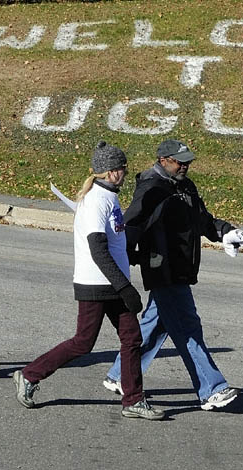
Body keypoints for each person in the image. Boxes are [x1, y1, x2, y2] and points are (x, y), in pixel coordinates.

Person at [12, 141, 163, 420]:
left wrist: (138, 259)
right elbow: (98, 250)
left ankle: (133, 400)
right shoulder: (96, 200)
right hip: (96, 284)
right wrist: (125, 287)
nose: (125, 173)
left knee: (131, 338)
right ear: (109, 172)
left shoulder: (109, 196)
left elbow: (116, 242)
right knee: (83, 342)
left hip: (112, 281)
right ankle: (30, 375)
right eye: (122, 168)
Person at [101, 139, 243, 411]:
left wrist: (225, 231)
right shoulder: (151, 187)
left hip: (181, 268)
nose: (185, 166)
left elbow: (202, 219)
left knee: (156, 324)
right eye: (180, 162)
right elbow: (131, 225)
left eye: (188, 161)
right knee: (188, 328)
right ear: (163, 160)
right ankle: (212, 389)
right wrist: (124, 260)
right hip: (163, 269)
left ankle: (120, 374)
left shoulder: (184, 186)